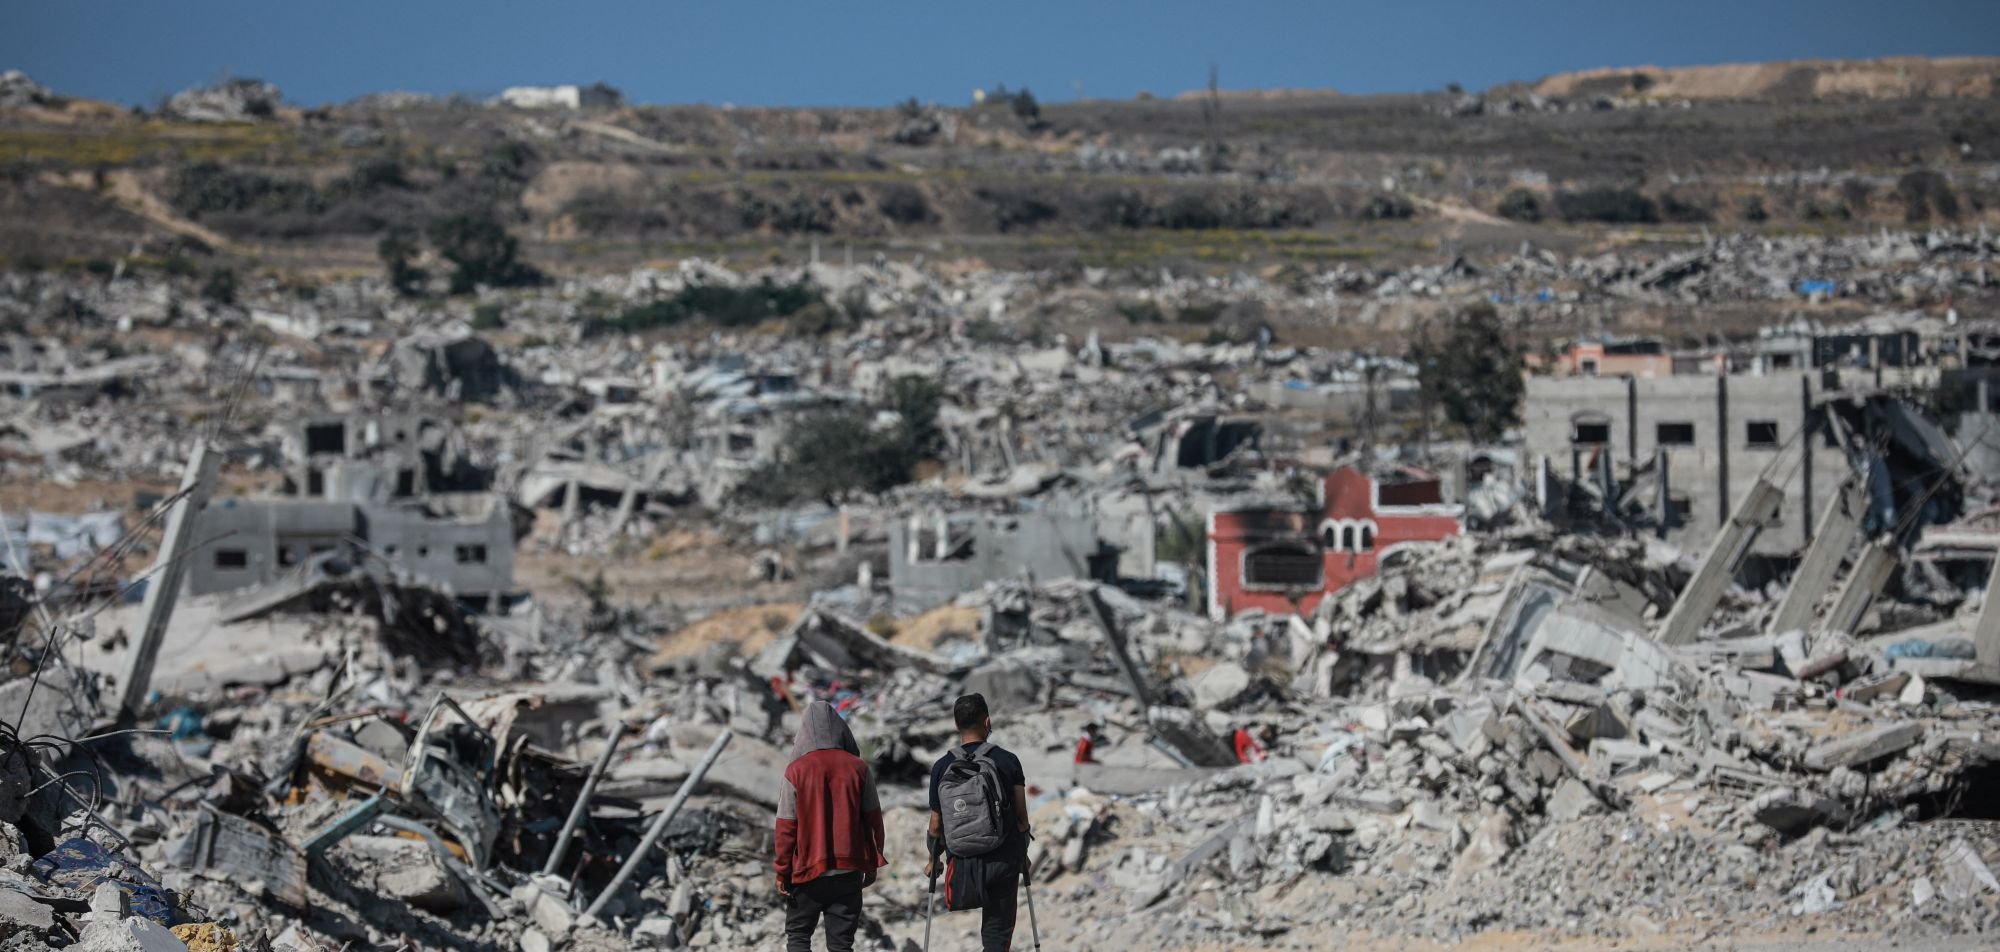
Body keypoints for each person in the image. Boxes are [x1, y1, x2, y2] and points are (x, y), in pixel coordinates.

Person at [775, 700, 885, 952]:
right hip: (849, 870)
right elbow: (874, 818)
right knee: (841, 943)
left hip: (806, 872)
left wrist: (782, 870)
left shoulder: (795, 771)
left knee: (799, 936)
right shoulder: (859, 768)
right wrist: (873, 860)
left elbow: (786, 826)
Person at [926, 693, 1030, 952]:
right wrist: (1022, 853)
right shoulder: (1007, 761)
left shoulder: (942, 766)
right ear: (988, 721)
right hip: (1002, 860)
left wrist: (933, 859)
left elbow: (936, 825)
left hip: (962, 866)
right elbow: (1021, 817)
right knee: (996, 937)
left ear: (956, 724)